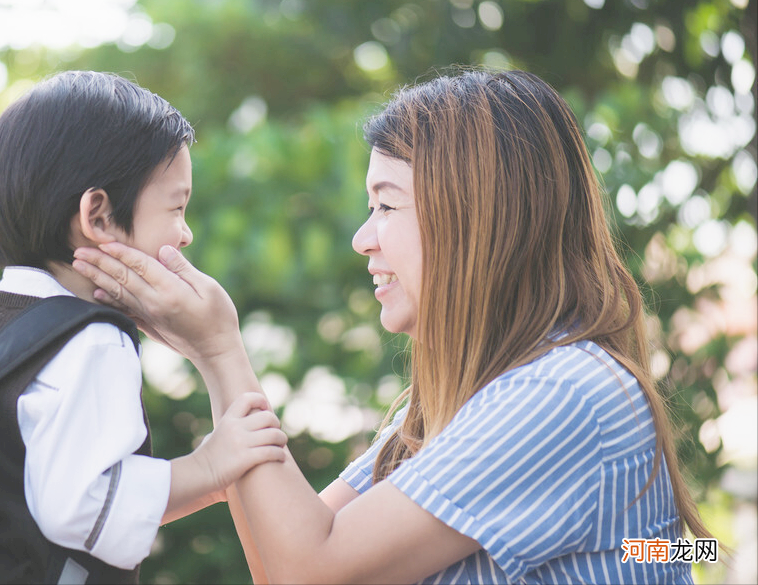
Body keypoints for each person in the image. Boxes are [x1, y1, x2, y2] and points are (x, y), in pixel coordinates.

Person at [72, 69, 711, 583]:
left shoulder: (561, 394)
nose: (362, 238)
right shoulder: (452, 408)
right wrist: (207, 353)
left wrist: (218, 350)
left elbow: (310, 571)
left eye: (386, 204)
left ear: (475, 214)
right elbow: (281, 556)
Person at [0, 71, 286, 584]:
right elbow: (77, 507)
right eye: (176, 207)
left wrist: (200, 484)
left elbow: (68, 499)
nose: (186, 231)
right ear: (99, 216)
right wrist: (207, 466)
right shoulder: (91, 339)